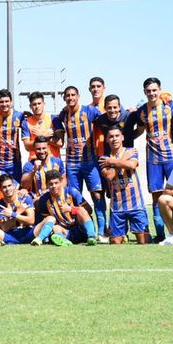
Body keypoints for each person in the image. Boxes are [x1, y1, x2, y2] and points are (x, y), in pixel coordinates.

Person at [52, 86, 106, 239]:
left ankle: (102, 231)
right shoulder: (63, 114)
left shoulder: (89, 111)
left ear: (78, 96)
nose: (70, 98)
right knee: (74, 197)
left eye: (73, 95)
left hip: (90, 162)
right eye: (67, 95)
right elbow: (55, 121)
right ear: (65, 98)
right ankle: (81, 230)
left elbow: (106, 118)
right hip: (72, 164)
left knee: (97, 195)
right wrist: (58, 132)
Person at [135, 77, 173, 242]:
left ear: (160, 90)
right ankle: (161, 234)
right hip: (153, 159)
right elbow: (140, 130)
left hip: (172, 157)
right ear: (144, 92)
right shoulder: (142, 111)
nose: (152, 93)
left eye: (154, 90)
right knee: (156, 196)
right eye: (148, 91)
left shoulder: (171, 105)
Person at [99, 126, 150, 244]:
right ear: (106, 139)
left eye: (117, 136)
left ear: (122, 137)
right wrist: (122, 160)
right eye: (111, 137)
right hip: (117, 207)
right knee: (115, 242)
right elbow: (109, 176)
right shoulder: (103, 158)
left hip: (136, 204)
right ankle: (122, 236)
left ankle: (138, 234)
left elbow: (132, 165)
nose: (114, 139)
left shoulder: (131, 151)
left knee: (144, 241)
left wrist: (113, 162)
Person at [36, 169, 97, 246]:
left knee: (81, 209)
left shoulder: (72, 192)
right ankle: (62, 240)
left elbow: (89, 210)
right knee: (55, 227)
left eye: (56, 183)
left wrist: (71, 209)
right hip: (66, 231)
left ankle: (91, 236)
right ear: (47, 185)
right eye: (51, 184)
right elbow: (45, 220)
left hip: (81, 229)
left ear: (61, 182)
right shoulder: (44, 200)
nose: (54, 186)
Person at [0, 174, 38, 245]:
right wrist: (18, 212)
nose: (7, 189)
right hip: (10, 236)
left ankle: (39, 239)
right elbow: (5, 228)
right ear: (0, 189)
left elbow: (31, 220)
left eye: (9, 185)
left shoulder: (25, 198)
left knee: (50, 219)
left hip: (27, 232)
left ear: (14, 186)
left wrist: (12, 214)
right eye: (4, 187)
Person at [21, 91, 60, 160]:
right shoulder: (26, 122)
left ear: (44, 104)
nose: (37, 106)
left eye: (39, 103)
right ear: (30, 106)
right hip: (34, 161)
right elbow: (27, 147)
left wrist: (40, 135)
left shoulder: (54, 119)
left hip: (54, 161)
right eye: (34, 104)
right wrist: (44, 136)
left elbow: (60, 143)